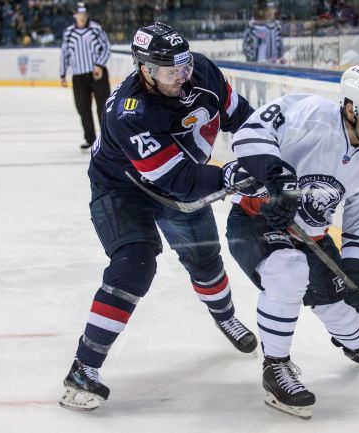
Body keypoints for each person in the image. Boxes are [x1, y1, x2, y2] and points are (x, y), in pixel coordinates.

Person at [59, 22, 257, 411]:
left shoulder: (202, 71)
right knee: (134, 264)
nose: (183, 78)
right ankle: (84, 367)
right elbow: (179, 181)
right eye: (171, 72)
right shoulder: (129, 112)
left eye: (184, 67)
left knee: (204, 260)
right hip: (122, 191)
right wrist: (232, 176)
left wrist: (263, 159)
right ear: (144, 69)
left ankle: (226, 317)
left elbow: (245, 120)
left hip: (177, 182)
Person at [224, 64, 359, 420]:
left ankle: (356, 347)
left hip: (313, 236)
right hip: (256, 218)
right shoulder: (309, 113)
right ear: (351, 108)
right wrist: (276, 179)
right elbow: (250, 133)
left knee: (339, 300)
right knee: (287, 274)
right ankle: (275, 367)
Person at [59, 2, 111, 150]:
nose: (81, 17)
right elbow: (64, 54)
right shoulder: (68, 33)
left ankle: (107, 139)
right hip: (79, 76)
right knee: (82, 108)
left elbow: (106, 47)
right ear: (75, 15)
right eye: (79, 14)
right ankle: (90, 139)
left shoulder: (96, 29)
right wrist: (62, 74)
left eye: (83, 14)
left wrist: (99, 65)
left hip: (97, 73)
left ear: (87, 15)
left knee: (104, 107)